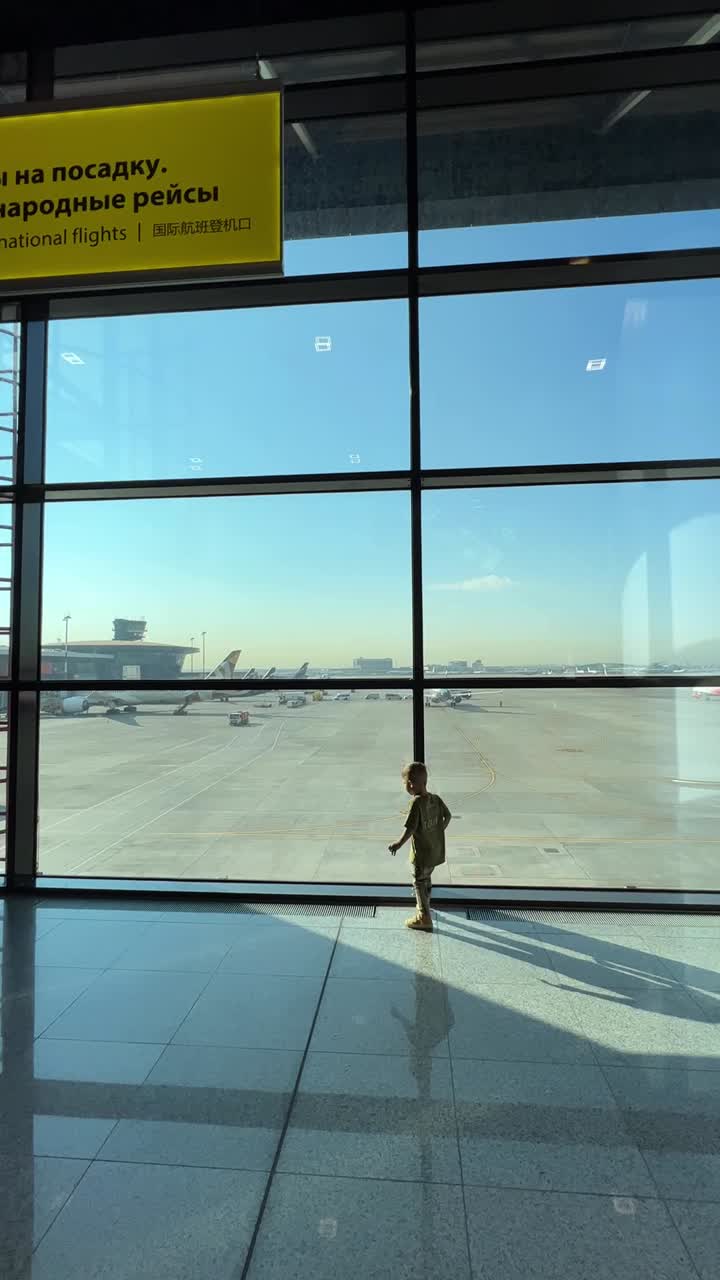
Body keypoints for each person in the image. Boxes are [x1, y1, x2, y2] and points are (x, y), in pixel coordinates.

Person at [388, 761, 451, 931]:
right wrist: (437, 831)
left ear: (410, 785)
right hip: (434, 851)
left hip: (422, 854)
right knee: (427, 879)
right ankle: (425, 904)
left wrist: (398, 844)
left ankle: (423, 916)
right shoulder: (436, 799)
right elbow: (448, 816)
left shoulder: (416, 803)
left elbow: (410, 829)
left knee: (418, 881)